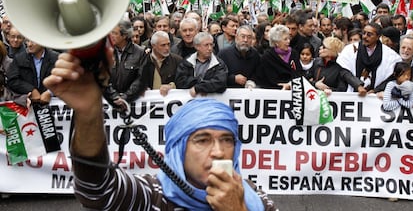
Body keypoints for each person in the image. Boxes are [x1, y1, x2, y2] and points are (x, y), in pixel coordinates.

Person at [43, 59, 277, 210]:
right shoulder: (153, 195)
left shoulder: (251, 194)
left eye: (227, 140)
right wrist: (89, 113)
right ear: (178, 148)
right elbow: (97, 190)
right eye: (202, 140)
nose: (218, 152)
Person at [337, 22, 401, 93]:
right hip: (353, 94)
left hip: (376, 97)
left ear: (378, 37)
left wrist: (375, 90)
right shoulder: (350, 49)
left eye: (369, 35)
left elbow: (391, 77)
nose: (365, 36)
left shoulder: (390, 55)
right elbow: (344, 71)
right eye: (364, 33)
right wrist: (358, 85)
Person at [104, 20, 146, 105]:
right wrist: (114, 96)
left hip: (133, 102)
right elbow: (104, 77)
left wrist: (125, 97)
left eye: (115, 33)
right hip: (110, 103)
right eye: (110, 33)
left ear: (124, 35)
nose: (111, 36)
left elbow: (141, 79)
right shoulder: (107, 52)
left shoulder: (140, 53)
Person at [175, 32, 228, 97]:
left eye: (211, 45)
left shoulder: (218, 63)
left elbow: (220, 82)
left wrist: (198, 88)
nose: (210, 48)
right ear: (197, 46)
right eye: (206, 45)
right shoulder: (187, 61)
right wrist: (200, 81)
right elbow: (180, 81)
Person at [257, 24, 302, 89]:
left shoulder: (293, 53)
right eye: (285, 39)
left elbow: (298, 73)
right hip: (275, 92)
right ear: (276, 42)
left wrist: (290, 84)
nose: (288, 41)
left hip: (293, 90)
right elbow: (266, 79)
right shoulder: (267, 57)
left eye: (288, 38)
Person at [141, 31, 182, 96]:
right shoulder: (143, 60)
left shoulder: (177, 60)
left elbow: (183, 81)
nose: (167, 48)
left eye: (168, 44)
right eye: (163, 45)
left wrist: (171, 86)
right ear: (153, 46)